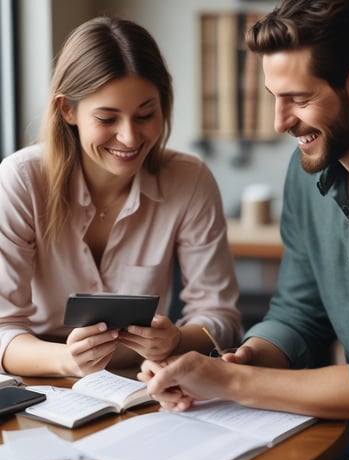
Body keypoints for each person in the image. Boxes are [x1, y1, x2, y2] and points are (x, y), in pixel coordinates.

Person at [139, 0, 349, 460]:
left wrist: (229, 381)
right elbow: (297, 312)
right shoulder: (305, 176)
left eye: (299, 99)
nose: (279, 121)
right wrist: (248, 358)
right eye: (274, 96)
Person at [0, 16, 241, 378]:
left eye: (146, 114)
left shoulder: (190, 181)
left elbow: (220, 318)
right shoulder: (21, 179)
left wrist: (175, 339)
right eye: (108, 119)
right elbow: (3, 329)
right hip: (43, 384)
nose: (129, 138)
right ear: (68, 110)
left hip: (144, 386)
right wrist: (66, 360)